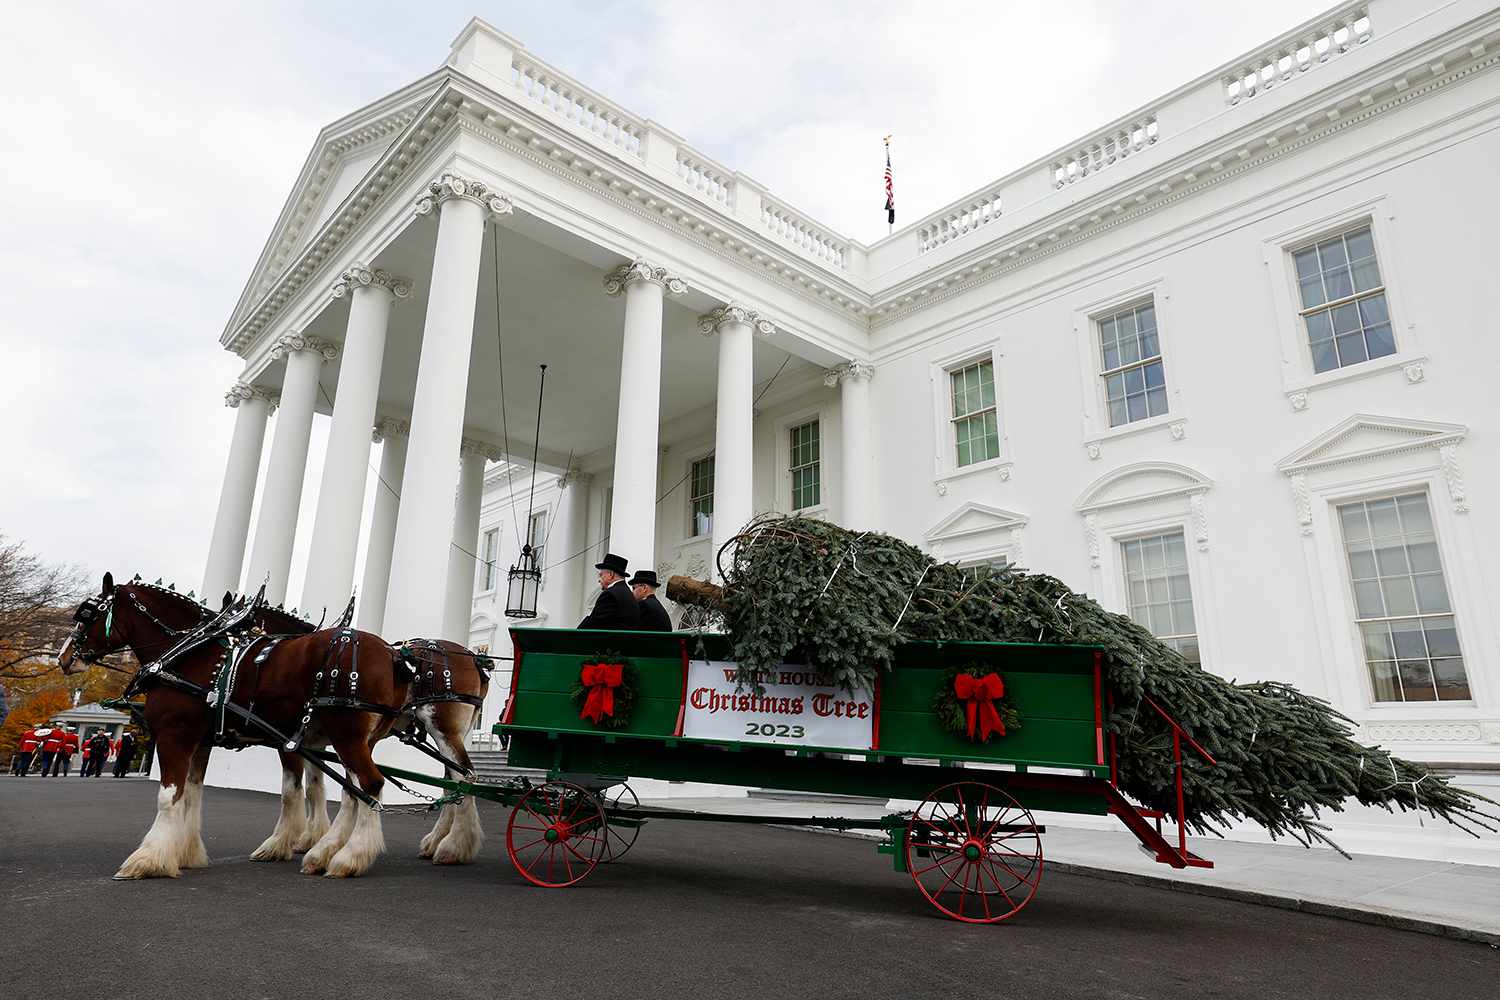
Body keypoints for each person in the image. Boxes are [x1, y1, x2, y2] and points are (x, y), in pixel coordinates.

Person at [577, 553, 640, 630]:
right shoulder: (628, 593)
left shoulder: (610, 594)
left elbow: (594, 622)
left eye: (601, 575)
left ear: (611, 574)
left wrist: (574, 635)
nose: (599, 580)